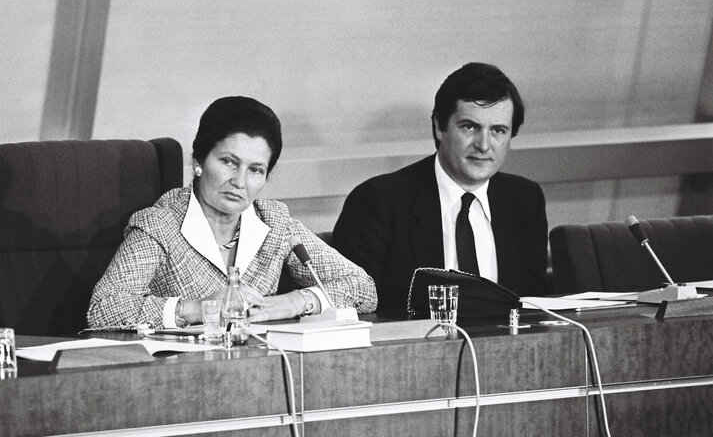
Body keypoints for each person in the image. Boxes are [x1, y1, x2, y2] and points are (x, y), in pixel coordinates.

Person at [87, 96, 377, 329]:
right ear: (198, 160)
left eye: (255, 170)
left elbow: (363, 289)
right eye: (228, 161)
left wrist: (295, 302)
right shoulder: (161, 224)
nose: (239, 181)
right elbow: (103, 308)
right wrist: (198, 308)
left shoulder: (275, 223)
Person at [332, 62, 548, 317]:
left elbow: (534, 306)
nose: (484, 145)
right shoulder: (377, 202)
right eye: (469, 127)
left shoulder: (525, 200)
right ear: (439, 127)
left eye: (498, 131)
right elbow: (354, 308)